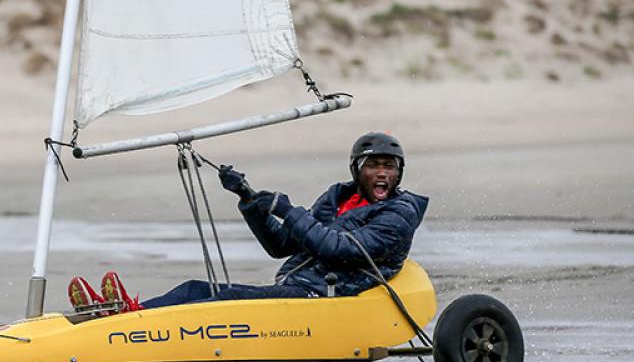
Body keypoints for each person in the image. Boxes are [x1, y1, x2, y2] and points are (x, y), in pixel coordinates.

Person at [67, 132, 428, 312]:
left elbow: (338, 249)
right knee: (198, 289)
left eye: (389, 166)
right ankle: (123, 315)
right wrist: (249, 199)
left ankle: (129, 319)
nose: (382, 172)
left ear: (398, 172)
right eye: (373, 165)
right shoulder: (338, 196)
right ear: (357, 170)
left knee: (216, 296)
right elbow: (281, 246)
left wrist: (287, 209)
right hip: (301, 288)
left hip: (331, 298)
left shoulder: (399, 213)